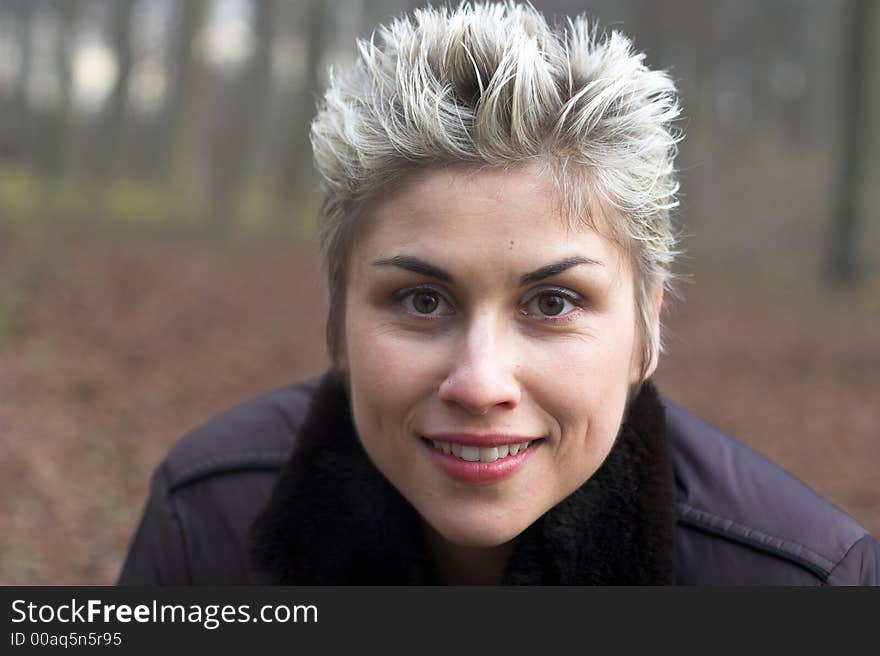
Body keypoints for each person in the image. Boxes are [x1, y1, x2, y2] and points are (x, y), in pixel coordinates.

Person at [117, 1, 879, 585]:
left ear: (647, 331)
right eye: (422, 300)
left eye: (552, 303)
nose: (480, 384)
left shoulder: (804, 583)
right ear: (336, 325)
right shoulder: (207, 525)